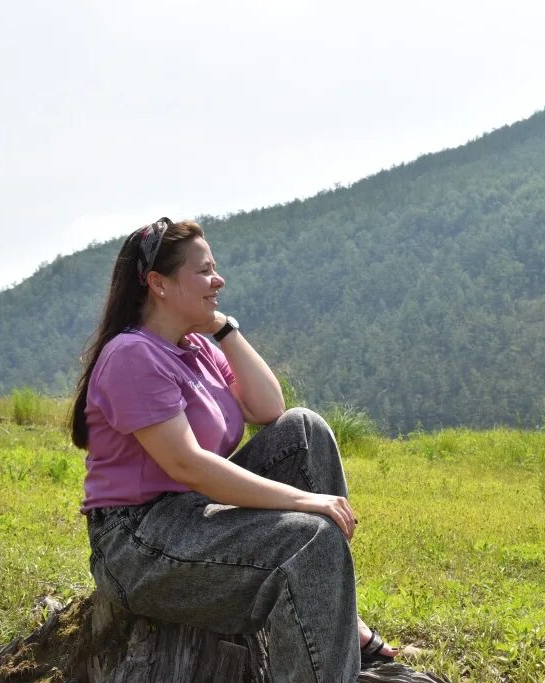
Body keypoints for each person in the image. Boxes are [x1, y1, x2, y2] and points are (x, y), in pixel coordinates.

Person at [70, 217, 397, 682]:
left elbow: (269, 408)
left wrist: (225, 330)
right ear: (158, 284)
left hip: (191, 513)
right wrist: (305, 502)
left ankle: (333, 616)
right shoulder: (132, 356)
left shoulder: (198, 347)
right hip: (137, 540)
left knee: (303, 429)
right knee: (311, 536)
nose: (218, 279)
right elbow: (188, 465)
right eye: (204, 271)